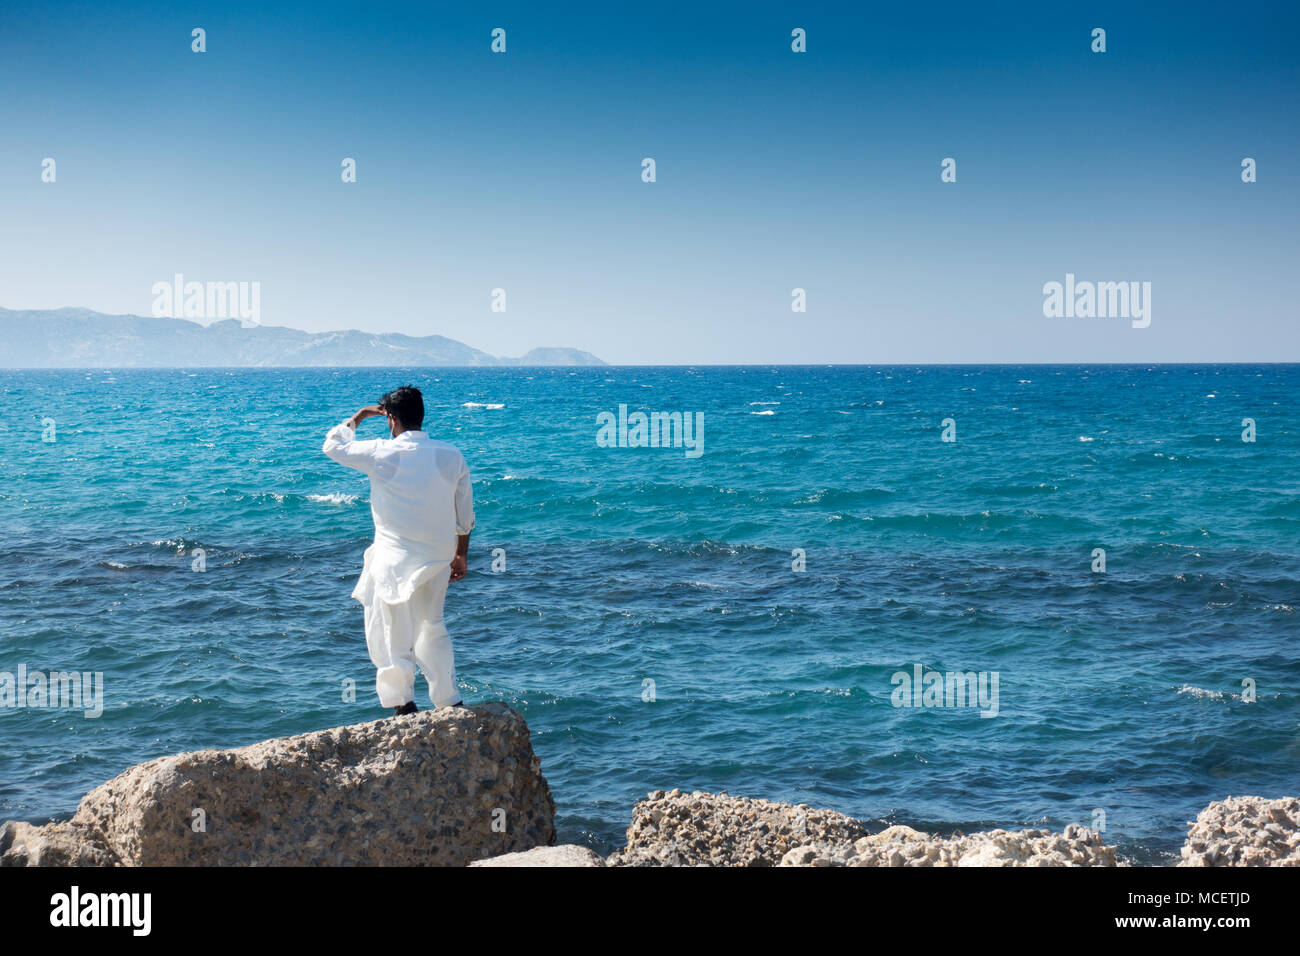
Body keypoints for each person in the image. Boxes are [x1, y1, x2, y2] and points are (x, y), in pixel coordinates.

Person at [322, 385, 474, 715]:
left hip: (394, 561)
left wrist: (359, 417)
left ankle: (402, 705)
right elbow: (465, 516)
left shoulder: (382, 454)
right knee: (431, 627)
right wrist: (461, 554)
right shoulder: (451, 455)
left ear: (390, 419)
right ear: (421, 415)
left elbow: (332, 446)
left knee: (393, 631)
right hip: (438, 559)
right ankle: (449, 700)